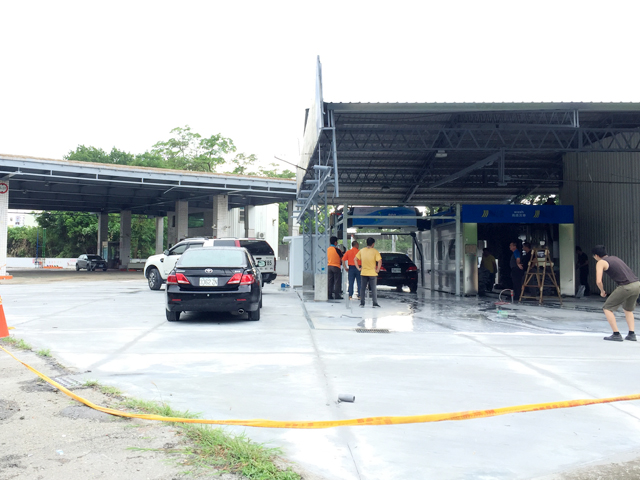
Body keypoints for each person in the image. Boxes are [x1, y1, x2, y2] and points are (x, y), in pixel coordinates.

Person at [592, 245, 640, 341]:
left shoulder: (601, 262)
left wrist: (602, 291)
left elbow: (598, 281)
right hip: (637, 284)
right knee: (628, 309)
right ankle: (632, 334)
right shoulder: (615, 258)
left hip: (626, 286)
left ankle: (616, 334)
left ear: (596, 255)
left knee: (607, 308)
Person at [355, 237, 382, 308]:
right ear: (373, 244)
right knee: (373, 289)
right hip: (372, 273)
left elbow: (355, 259)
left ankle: (362, 303)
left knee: (362, 288)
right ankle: (375, 303)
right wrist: (378, 269)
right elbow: (379, 261)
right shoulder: (375, 251)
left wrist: (358, 268)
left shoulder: (362, 251)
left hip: (364, 272)